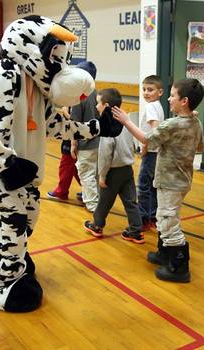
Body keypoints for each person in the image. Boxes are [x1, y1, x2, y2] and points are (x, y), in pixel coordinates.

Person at [112, 78, 204, 283]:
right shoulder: (195, 121)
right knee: (165, 216)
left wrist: (126, 121)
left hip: (171, 182)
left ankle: (179, 268)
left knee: (168, 221)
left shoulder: (173, 124)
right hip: (182, 180)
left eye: (173, 95)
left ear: (184, 101)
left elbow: (146, 139)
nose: (169, 99)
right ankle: (164, 254)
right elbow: (201, 147)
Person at [84, 88, 144, 243]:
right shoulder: (127, 120)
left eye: (98, 103)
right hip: (127, 169)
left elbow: (105, 153)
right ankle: (136, 230)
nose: (96, 106)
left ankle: (96, 226)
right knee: (131, 201)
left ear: (107, 105)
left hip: (112, 171)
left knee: (104, 201)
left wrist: (102, 175)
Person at [48, 61, 98, 203]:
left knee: (68, 164)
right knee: (81, 168)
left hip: (76, 137)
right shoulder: (95, 92)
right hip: (91, 137)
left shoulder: (80, 94)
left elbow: (75, 122)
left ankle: (62, 190)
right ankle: (86, 191)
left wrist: (65, 112)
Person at [70, 61, 100, 212]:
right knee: (95, 174)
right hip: (100, 143)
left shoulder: (79, 97)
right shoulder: (97, 93)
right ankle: (98, 202)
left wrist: (73, 144)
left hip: (86, 144)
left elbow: (74, 123)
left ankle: (93, 205)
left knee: (86, 174)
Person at [138, 75, 165, 231]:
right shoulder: (158, 105)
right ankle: (153, 216)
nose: (146, 93)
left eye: (150, 90)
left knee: (144, 185)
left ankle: (142, 218)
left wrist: (145, 146)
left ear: (160, 92)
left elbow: (154, 128)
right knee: (153, 185)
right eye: (144, 89)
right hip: (157, 152)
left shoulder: (150, 107)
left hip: (151, 151)